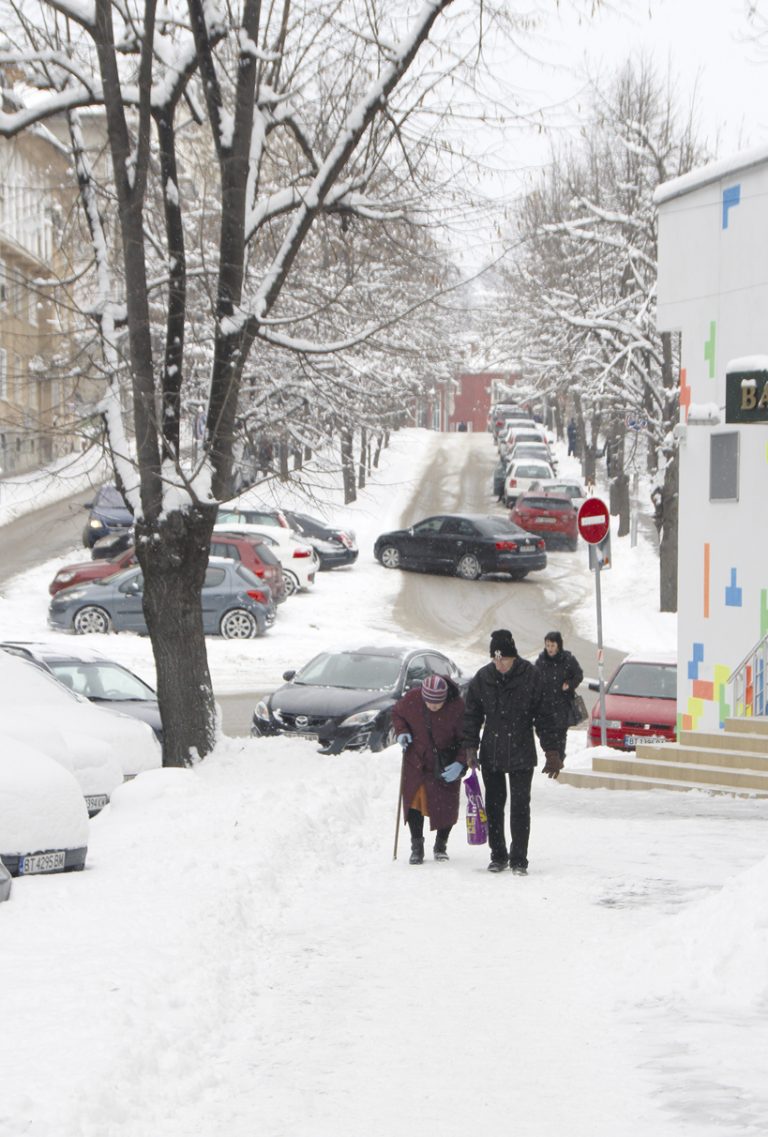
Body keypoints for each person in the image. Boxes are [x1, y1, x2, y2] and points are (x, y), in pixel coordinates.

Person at [462, 629, 561, 875]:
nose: (499, 664)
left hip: (521, 750)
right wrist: (471, 747)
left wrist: (552, 751)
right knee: (494, 806)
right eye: (495, 659)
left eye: (504, 659)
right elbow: (471, 715)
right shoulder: (483, 677)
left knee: (519, 806)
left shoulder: (531, 676)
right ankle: (498, 855)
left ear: (513, 656)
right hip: (492, 751)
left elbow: (545, 717)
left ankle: (519, 859)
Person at [392, 673, 468, 865]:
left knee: (446, 806)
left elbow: (467, 738)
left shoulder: (457, 707)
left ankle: (441, 845)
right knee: (415, 805)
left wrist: (460, 762)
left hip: (445, 762)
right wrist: (402, 733)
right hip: (416, 761)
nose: (433, 706)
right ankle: (416, 847)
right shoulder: (413, 699)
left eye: (437, 703)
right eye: (429, 702)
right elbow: (397, 714)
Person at [533, 631, 584, 770]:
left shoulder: (567, 659)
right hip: (545, 704)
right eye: (547, 645)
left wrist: (569, 684)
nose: (550, 648)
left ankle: (558, 760)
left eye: (552, 645)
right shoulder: (541, 660)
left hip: (562, 703)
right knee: (544, 732)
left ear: (558, 645)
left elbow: (578, 675)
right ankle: (552, 759)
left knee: (560, 734)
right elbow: (534, 679)